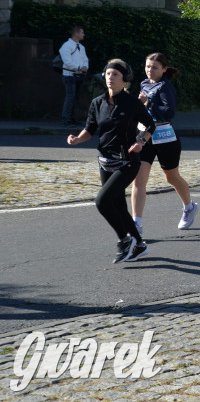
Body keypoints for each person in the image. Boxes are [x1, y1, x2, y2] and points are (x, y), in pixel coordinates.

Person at [66, 59, 155, 263]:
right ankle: (139, 244)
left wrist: (141, 141)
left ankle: (124, 240)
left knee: (102, 201)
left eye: (115, 74)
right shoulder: (98, 102)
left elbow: (150, 125)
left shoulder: (132, 103)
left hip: (128, 161)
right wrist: (78, 139)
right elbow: (90, 129)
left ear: (124, 80)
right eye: (107, 74)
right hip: (105, 161)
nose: (110, 78)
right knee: (118, 206)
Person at [130, 53, 197, 236]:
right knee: (139, 179)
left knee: (172, 177)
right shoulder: (144, 84)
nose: (150, 70)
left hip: (165, 135)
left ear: (164, 69)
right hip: (144, 135)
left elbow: (169, 112)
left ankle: (189, 207)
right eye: (147, 66)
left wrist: (149, 103)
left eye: (154, 67)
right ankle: (136, 224)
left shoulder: (166, 86)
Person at [58, 25, 89, 127]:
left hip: (79, 75)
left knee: (75, 97)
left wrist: (85, 67)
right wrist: (80, 67)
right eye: (82, 32)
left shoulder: (82, 47)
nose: (83, 35)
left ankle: (72, 118)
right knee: (70, 97)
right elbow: (67, 62)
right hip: (69, 75)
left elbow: (85, 59)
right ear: (76, 33)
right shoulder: (66, 46)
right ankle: (66, 119)